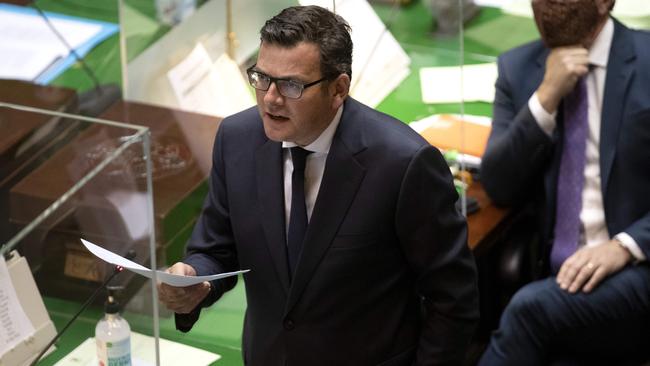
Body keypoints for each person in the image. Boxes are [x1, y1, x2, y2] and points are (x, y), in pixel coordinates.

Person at [158, 5, 479, 366]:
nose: (270, 98)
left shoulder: (403, 164)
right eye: (261, 77)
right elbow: (214, 249)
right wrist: (195, 280)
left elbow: (453, 299)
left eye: (291, 85)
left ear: (338, 88)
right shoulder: (236, 140)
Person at [478, 0, 650, 364]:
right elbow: (499, 184)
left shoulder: (647, 60)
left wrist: (624, 246)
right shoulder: (518, 68)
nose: (546, 8)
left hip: (636, 267)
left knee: (528, 312)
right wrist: (545, 99)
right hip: (558, 281)